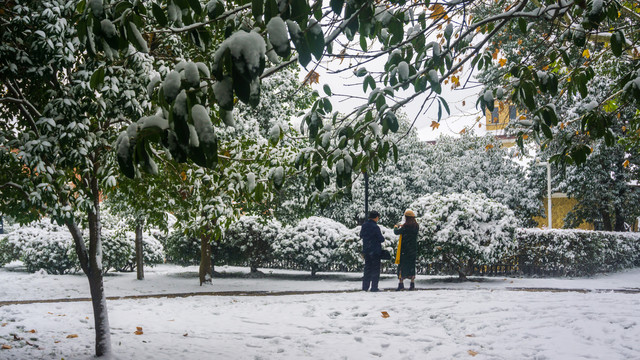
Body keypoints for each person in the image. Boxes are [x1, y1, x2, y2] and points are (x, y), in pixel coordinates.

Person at [393, 209, 419, 291]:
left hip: (404, 250)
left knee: (402, 266)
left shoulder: (405, 227)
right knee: (411, 266)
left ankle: (401, 284)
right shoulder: (416, 226)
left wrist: (396, 227)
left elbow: (396, 232)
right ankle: (412, 284)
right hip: (413, 249)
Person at [360, 210, 385, 292]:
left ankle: (365, 286)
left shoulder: (364, 225)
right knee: (375, 269)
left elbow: (361, 235)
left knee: (367, 269)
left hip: (367, 250)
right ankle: (374, 287)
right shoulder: (375, 227)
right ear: (376, 217)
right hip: (375, 251)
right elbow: (381, 239)